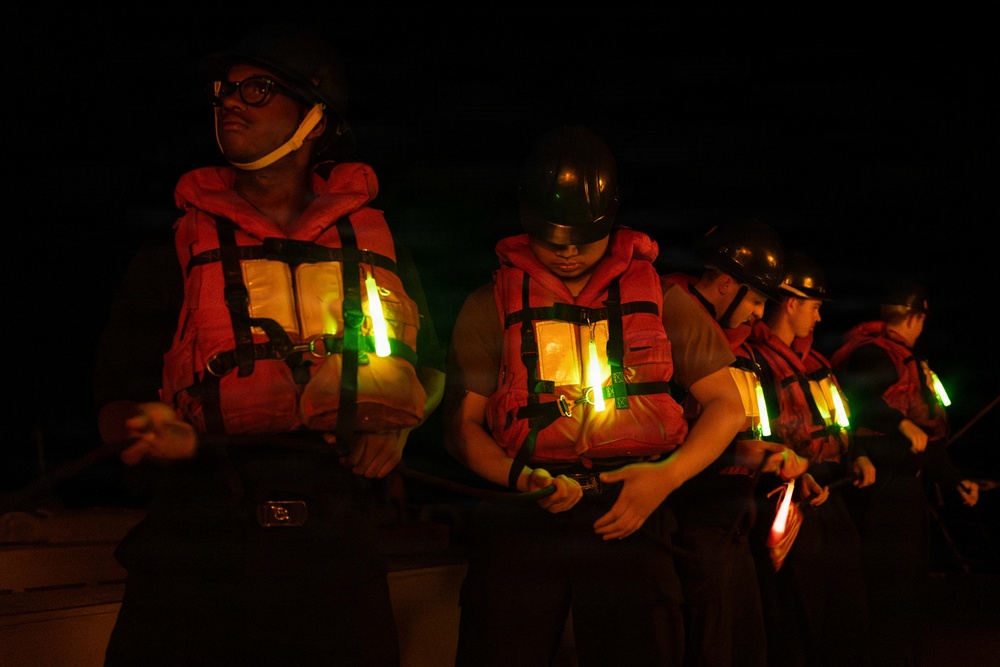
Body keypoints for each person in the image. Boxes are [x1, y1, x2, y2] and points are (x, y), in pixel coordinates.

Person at [92, 23, 446, 666]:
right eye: (225, 89)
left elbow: (431, 369)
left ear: (317, 121)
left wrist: (398, 429)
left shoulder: (373, 245)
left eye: (258, 89)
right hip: (200, 528)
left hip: (337, 528)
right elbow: (115, 398)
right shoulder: (172, 248)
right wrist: (147, 428)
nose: (230, 101)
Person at [443, 125, 746, 666]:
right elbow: (462, 425)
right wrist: (519, 478)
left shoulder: (664, 299)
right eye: (549, 237)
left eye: (582, 238)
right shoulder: (488, 302)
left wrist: (666, 478)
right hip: (523, 512)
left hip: (633, 510)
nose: (565, 252)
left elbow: (728, 406)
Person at [661, 219, 809, 667]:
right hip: (692, 529)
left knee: (748, 648)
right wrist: (747, 455)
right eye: (759, 299)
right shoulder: (670, 333)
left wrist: (777, 466)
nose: (760, 314)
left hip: (735, 526)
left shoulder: (740, 349)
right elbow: (667, 436)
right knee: (708, 650)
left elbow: (747, 432)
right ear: (727, 284)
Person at [829, 279, 978, 666]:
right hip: (883, 493)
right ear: (914, 318)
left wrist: (953, 478)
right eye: (922, 321)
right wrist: (901, 425)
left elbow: (927, 435)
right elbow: (861, 400)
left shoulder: (906, 360)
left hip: (906, 489)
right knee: (889, 592)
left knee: (910, 587)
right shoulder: (875, 355)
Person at [744, 251, 875, 667]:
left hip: (832, 495)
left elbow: (841, 421)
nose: (819, 318)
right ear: (793, 303)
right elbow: (758, 435)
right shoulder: (756, 361)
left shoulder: (816, 364)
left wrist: (859, 455)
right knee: (799, 610)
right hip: (786, 500)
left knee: (847, 602)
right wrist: (795, 476)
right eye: (815, 307)